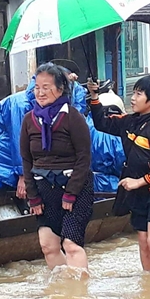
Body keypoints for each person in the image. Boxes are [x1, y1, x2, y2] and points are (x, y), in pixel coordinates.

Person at [0, 73, 124, 197]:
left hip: (18, 156)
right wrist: (23, 176)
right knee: (0, 196)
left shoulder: (58, 104)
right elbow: (19, 140)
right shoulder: (20, 104)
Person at [88, 75, 150, 271]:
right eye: (134, 93)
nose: (133, 98)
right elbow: (102, 123)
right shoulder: (129, 121)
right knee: (143, 241)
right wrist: (94, 97)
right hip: (137, 196)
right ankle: (149, 283)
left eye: (139, 94)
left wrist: (139, 181)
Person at [20, 63, 94, 270]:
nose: (40, 92)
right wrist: (32, 196)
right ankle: (63, 291)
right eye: (37, 87)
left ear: (60, 89)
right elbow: (26, 160)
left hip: (75, 188)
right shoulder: (29, 120)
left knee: (71, 244)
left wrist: (71, 192)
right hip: (44, 188)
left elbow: (84, 158)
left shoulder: (73, 117)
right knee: (48, 245)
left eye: (47, 87)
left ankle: (80, 294)